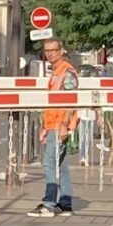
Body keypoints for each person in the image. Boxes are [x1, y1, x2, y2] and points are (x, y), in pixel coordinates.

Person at [32, 32, 79, 216]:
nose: (50, 54)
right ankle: (65, 203)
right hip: (54, 124)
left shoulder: (67, 72)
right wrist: (45, 125)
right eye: (47, 51)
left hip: (60, 125)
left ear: (61, 51)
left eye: (54, 50)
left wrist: (64, 124)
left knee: (49, 163)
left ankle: (49, 203)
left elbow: (70, 101)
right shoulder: (57, 73)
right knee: (62, 164)